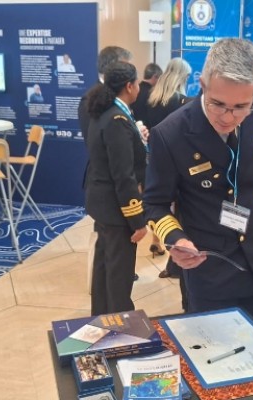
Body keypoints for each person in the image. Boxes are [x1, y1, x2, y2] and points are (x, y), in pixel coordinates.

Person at [143, 38, 253, 332]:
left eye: (241, 107)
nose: (228, 118)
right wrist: (176, 239)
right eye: (218, 104)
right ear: (202, 84)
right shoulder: (171, 134)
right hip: (210, 266)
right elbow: (155, 203)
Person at [84, 61, 148, 315]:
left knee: (105, 268)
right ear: (129, 86)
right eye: (137, 83)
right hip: (116, 208)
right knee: (119, 275)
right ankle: (121, 325)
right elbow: (123, 176)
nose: (139, 88)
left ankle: (102, 318)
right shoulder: (117, 119)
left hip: (102, 202)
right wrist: (137, 220)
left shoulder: (105, 112)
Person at [144, 57, 192, 302]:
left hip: (152, 157)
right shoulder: (180, 102)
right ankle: (174, 261)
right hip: (177, 162)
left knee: (158, 205)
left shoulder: (152, 98)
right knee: (176, 209)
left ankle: (158, 240)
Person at [79, 46, 132, 139]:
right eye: (124, 68)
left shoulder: (121, 92)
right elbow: (92, 140)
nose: (128, 73)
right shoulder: (89, 99)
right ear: (111, 68)